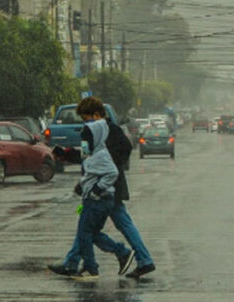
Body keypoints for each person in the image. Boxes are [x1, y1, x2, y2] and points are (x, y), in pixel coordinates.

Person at [48, 98, 156, 279]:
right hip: (99, 187)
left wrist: (104, 171)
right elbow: (86, 156)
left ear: (96, 115)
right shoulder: (93, 130)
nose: (84, 122)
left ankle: (78, 262)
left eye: (86, 117)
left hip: (107, 188)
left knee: (93, 227)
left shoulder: (109, 130)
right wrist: (66, 154)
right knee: (90, 227)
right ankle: (74, 262)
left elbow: (123, 149)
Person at [68, 101, 118, 279]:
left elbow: (112, 173)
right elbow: (91, 173)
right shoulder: (95, 153)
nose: (84, 144)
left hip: (98, 200)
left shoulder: (100, 154)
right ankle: (121, 253)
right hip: (93, 198)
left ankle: (91, 267)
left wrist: (96, 190)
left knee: (85, 234)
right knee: (90, 234)